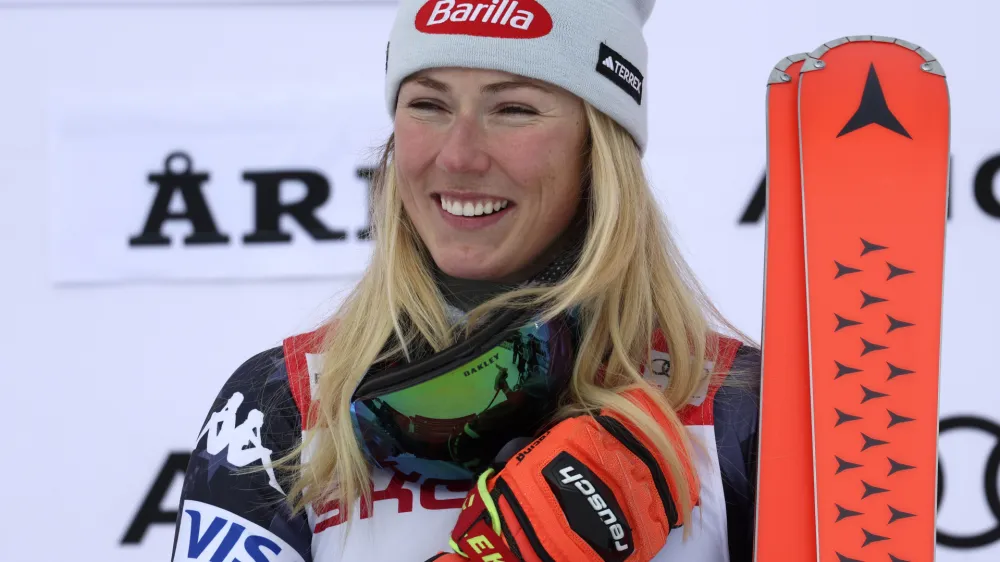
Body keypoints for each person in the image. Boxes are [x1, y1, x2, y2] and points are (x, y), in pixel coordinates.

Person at [170, 0, 762, 560]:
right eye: (428, 104)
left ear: (598, 148)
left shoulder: (741, 411)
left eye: (514, 109)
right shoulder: (281, 405)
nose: (458, 156)